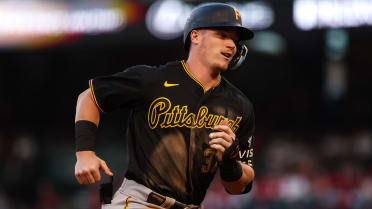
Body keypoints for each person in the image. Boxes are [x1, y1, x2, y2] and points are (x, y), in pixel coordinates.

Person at [74, 2, 256, 209]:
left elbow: (240, 187)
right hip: (141, 201)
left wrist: (230, 162)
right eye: (222, 35)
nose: (232, 45)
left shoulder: (240, 105)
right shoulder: (154, 79)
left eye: (235, 39)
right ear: (195, 36)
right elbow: (90, 96)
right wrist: (84, 153)